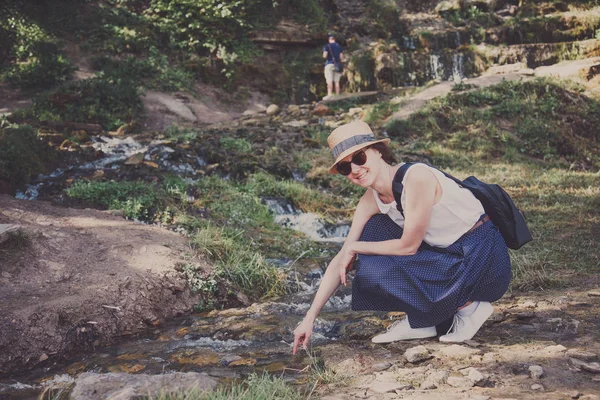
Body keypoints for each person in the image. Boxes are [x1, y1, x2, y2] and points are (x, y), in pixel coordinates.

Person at [292, 120, 511, 354]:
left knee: (367, 245)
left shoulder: (416, 177)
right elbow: (341, 259)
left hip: (481, 257)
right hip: (447, 256)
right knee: (372, 237)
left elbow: (408, 246)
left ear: (378, 151)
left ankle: (471, 308)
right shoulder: (370, 201)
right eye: (346, 168)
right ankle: (422, 320)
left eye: (359, 158)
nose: (355, 169)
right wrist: (310, 317)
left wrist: (356, 247)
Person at [322, 33, 344, 100]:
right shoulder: (339, 46)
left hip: (329, 64)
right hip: (337, 65)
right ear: (334, 39)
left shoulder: (327, 46)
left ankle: (330, 95)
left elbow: (324, 56)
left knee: (329, 81)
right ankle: (337, 96)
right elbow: (341, 57)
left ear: (329, 39)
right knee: (337, 81)